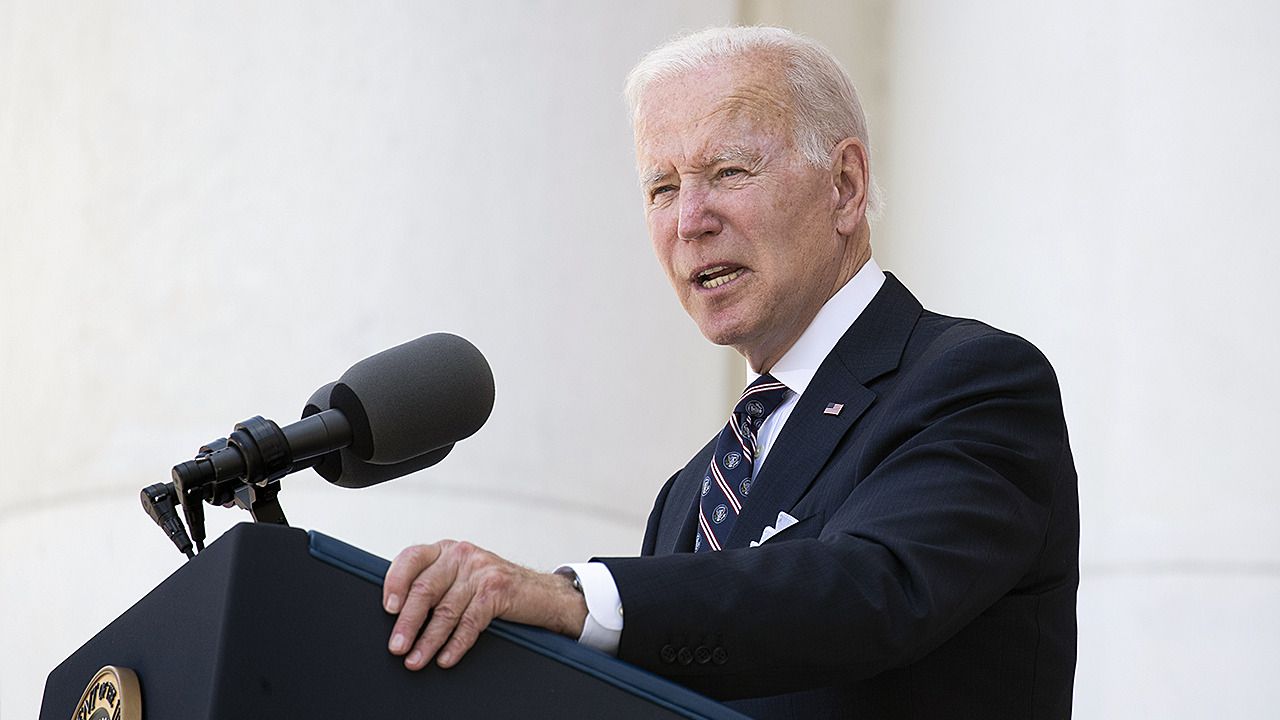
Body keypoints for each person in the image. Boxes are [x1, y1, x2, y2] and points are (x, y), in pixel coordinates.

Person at [381, 26, 1078, 719]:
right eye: (661, 187)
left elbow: (872, 590)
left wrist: (573, 598)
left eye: (729, 173)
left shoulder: (976, 384)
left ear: (844, 186)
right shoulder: (689, 494)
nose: (689, 221)